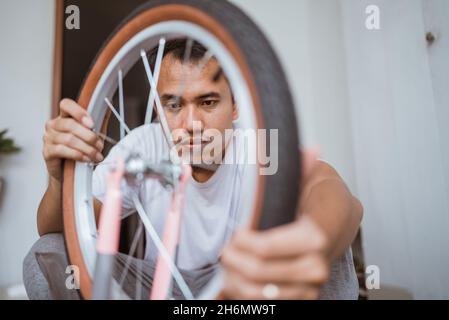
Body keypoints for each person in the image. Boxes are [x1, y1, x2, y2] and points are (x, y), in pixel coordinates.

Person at [24, 39, 363, 300]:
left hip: (239, 288)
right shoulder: (144, 143)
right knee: (49, 253)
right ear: (158, 107)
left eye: (208, 102)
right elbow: (54, 230)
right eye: (173, 105)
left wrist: (316, 241)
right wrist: (58, 179)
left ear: (235, 107)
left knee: (330, 246)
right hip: (161, 286)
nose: (191, 124)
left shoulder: (257, 146)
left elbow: (338, 196)